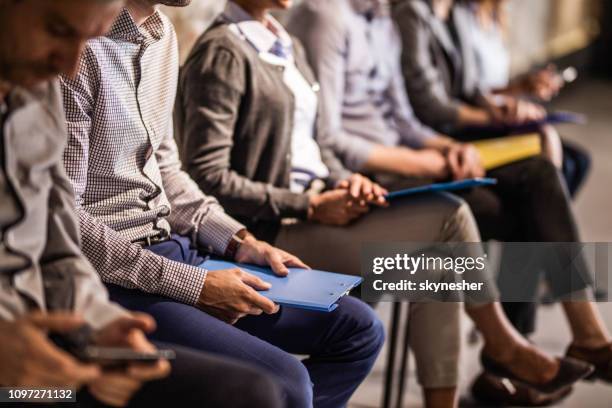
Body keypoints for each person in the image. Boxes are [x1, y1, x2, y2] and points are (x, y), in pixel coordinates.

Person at [176, 1, 595, 406]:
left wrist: (348, 182)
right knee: (452, 220)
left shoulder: (287, 41)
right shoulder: (223, 51)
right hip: (272, 229)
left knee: (441, 265)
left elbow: (319, 147)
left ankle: (489, 363)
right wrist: (309, 203)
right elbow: (206, 175)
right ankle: (505, 344)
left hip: (322, 201)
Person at [60, 1, 385, 407]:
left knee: (360, 328)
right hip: (116, 276)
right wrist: (195, 286)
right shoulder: (76, 48)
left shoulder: (163, 35)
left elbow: (167, 170)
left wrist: (239, 240)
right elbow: (65, 219)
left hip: (177, 246)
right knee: (288, 383)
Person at [288, 0, 612, 389]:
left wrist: (445, 148)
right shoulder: (328, 16)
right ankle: (511, 355)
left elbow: (405, 118)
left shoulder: (380, 17)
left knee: (539, 175)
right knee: (516, 215)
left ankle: (579, 333)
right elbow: (330, 138)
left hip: (405, 157)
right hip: (364, 177)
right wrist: (428, 163)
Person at [0, 1, 283, 407]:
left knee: (358, 324)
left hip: (70, 317)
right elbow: (212, 173)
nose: (71, 65)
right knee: (273, 384)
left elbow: (57, 243)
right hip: (24, 356)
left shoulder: (36, 96)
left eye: (88, 39)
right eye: (59, 30)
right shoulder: (224, 49)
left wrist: (104, 326)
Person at [461, 0, 591, 197]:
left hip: (500, 115)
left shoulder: (496, 17)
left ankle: (548, 219)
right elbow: (466, 91)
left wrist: (523, 86)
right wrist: (507, 106)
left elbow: (494, 84)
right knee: (552, 147)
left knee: (580, 161)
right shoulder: (462, 18)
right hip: (478, 121)